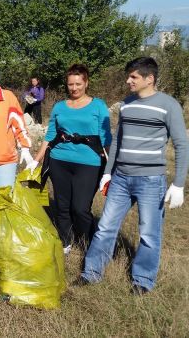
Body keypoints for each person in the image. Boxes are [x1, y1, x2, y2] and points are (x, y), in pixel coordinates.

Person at [77, 57, 187, 294]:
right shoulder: (126, 105)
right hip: (121, 179)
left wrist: (178, 184)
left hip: (151, 180)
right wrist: (108, 173)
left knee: (148, 233)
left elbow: (181, 144)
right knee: (105, 227)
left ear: (150, 79)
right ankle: (91, 273)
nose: (128, 81)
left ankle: (142, 280)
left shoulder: (169, 105)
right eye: (129, 76)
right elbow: (117, 141)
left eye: (134, 77)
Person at [31, 64, 112, 255]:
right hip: (60, 160)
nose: (74, 88)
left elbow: (106, 137)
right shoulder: (60, 107)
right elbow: (50, 134)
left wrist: (111, 166)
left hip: (89, 163)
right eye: (70, 84)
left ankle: (88, 241)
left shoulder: (98, 105)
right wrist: (36, 160)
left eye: (78, 84)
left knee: (81, 207)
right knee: (62, 204)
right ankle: (65, 240)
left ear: (86, 82)